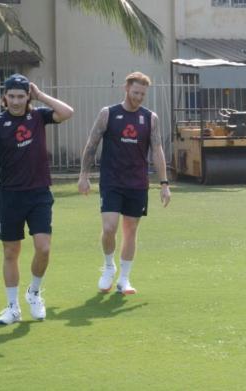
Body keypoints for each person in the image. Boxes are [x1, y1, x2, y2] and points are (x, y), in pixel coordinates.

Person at [0, 74, 74, 325]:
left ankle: (34, 293)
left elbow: (67, 112)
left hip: (39, 194)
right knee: (11, 251)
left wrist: (41, 96)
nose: (16, 101)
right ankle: (12, 307)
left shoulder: (38, 117)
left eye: (21, 96)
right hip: (9, 197)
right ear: (4, 97)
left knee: (44, 248)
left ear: (28, 96)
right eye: (12, 96)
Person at [78, 71, 171, 295]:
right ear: (126, 88)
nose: (139, 97)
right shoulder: (108, 114)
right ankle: (109, 267)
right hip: (111, 181)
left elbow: (157, 150)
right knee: (109, 227)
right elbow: (92, 144)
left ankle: (124, 279)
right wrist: (84, 175)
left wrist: (164, 183)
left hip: (137, 183)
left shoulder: (150, 118)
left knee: (130, 230)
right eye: (135, 92)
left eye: (142, 94)